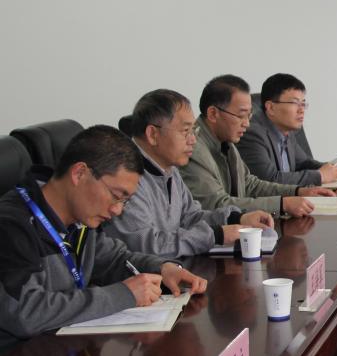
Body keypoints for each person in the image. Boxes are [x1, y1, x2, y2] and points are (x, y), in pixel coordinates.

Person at [0, 126, 207, 349]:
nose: (117, 210)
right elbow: (25, 313)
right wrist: (124, 294)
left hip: (66, 348)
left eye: (125, 201)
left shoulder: (79, 220)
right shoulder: (12, 224)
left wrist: (163, 269)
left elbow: (114, 259)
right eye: (116, 196)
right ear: (79, 173)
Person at [105, 89, 274, 258]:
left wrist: (237, 219)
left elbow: (190, 217)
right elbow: (148, 245)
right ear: (153, 134)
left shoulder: (169, 169)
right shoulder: (125, 178)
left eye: (194, 131)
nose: (193, 140)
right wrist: (216, 235)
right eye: (186, 131)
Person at [180, 75, 335, 218]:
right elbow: (217, 204)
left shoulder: (226, 141)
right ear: (213, 114)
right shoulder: (192, 148)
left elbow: (249, 184)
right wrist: (282, 204)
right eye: (241, 115)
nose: (247, 124)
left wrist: (297, 191)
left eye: (249, 115)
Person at [237, 73, 337, 186]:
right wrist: (320, 176)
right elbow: (268, 180)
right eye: (295, 103)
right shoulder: (252, 133)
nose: (301, 110)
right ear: (271, 107)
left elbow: (303, 163)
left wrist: (329, 168)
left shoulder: (286, 131)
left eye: (303, 103)